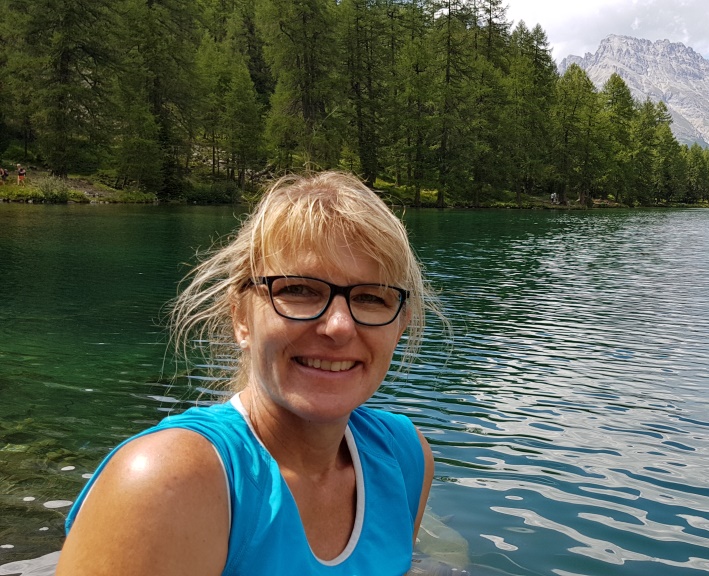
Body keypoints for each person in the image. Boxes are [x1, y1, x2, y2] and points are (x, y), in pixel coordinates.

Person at [57, 171, 441, 575]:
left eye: (371, 297)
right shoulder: (167, 483)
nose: (340, 326)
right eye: (298, 289)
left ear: (400, 326)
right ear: (241, 317)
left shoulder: (403, 455)